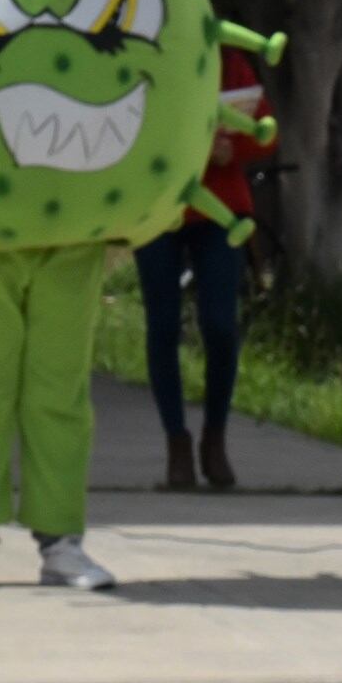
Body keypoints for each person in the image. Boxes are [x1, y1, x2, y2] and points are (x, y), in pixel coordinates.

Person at [134, 45, 270, 490]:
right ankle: (176, 443)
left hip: (221, 211)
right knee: (162, 324)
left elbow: (266, 131)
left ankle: (215, 438)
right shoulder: (143, 56)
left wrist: (233, 147)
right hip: (158, 206)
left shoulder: (228, 61)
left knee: (220, 324)